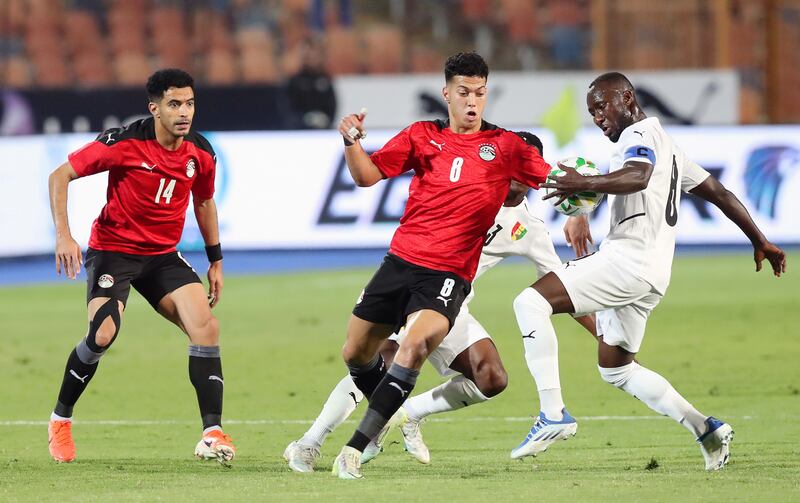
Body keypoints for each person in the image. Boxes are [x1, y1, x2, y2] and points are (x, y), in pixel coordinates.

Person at [512, 71, 786, 470]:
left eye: (602, 105)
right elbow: (720, 193)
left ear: (626, 97)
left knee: (529, 302)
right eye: (591, 112)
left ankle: (553, 413)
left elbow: (637, 177)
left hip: (627, 261)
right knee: (616, 369)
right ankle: (706, 429)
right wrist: (759, 239)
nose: (598, 117)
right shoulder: (668, 145)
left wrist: (584, 182)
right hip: (653, 274)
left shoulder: (637, 137)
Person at [284, 134, 596, 473]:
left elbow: (565, 289)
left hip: (453, 304)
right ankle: (309, 443)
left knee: (490, 377)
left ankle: (410, 414)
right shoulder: (467, 188)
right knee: (381, 360)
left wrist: (605, 334)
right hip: (418, 289)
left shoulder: (529, 230)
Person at [331, 51, 552, 479]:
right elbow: (366, 176)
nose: (473, 101)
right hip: (399, 263)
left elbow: (555, 178)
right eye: (465, 92)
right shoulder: (421, 136)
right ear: (446, 93)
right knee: (356, 352)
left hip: (448, 277)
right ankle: (385, 418)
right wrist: (351, 142)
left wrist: (582, 202)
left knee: (414, 346)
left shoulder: (504, 146)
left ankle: (354, 449)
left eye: (481, 93)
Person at [46, 69, 235, 464]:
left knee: (206, 326)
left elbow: (203, 202)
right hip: (113, 251)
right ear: (155, 108)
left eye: (190, 103)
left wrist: (215, 258)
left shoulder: (201, 152)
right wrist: (64, 235)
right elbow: (59, 175)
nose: (184, 112)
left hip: (163, 256)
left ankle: (212, 433)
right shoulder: (125, 142)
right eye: (174, 104)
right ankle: (60, 420)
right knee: (102, 334)